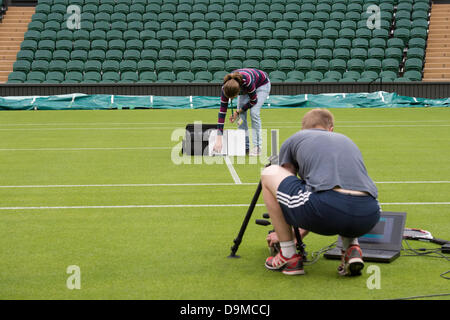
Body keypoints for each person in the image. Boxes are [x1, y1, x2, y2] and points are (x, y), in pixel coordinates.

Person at [261, 108, 380, 276]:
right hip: (370, 214)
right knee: (345, 190)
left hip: (326, 209)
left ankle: (288, 255)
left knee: (269, 173)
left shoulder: (295, 138)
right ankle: (352, 248)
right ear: (331, 128)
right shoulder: (346, 140)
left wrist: (286, 236)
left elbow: (287, 191)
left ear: (303, 128)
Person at [213, 68, 271, 156]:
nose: (231, 99)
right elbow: (222, 112)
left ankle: (257, 147)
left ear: (238, 92)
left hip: (262, 85)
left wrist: (238, 111)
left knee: (254, 112)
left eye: (233, 97)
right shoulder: (225, 87)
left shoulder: (247, 81)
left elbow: (253, 101)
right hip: (245, 86)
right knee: (241, 117)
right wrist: (219, 139)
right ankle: (244, 145)